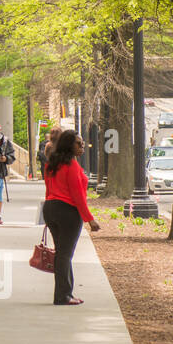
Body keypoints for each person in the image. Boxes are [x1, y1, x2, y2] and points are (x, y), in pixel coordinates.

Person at [42, 129, 101, 305]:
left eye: (82, 143)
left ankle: (65, 293)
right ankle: (63, 296)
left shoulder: (51, 163)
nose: (82, 146)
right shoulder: (72, 165)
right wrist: (90, 219)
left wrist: (48, 211)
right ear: (69, 145)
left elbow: (48, 188)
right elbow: (77, 195)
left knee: (61, 253)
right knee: (64, 254)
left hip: (51, 208)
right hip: (67, 211)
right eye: (78, 143)